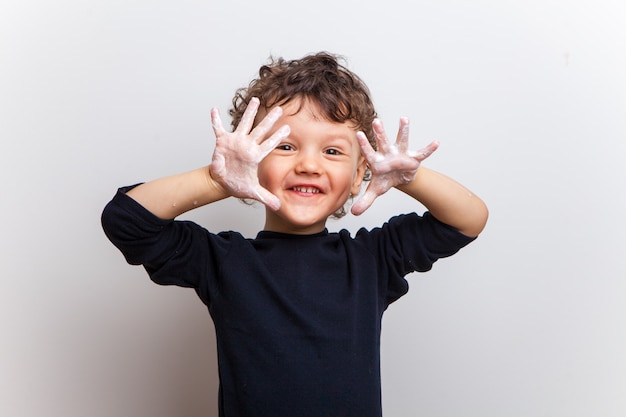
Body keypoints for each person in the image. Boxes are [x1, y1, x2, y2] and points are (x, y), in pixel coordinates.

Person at [101, 51, 488, 417]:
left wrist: (409, 178)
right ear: (252, 162)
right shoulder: (223, 261)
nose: (308, 164)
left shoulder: (373, 258)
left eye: (333, 152)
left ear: (358, 176)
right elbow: (125, 219)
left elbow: (468, 219)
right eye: (285, 146)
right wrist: (217, 181)